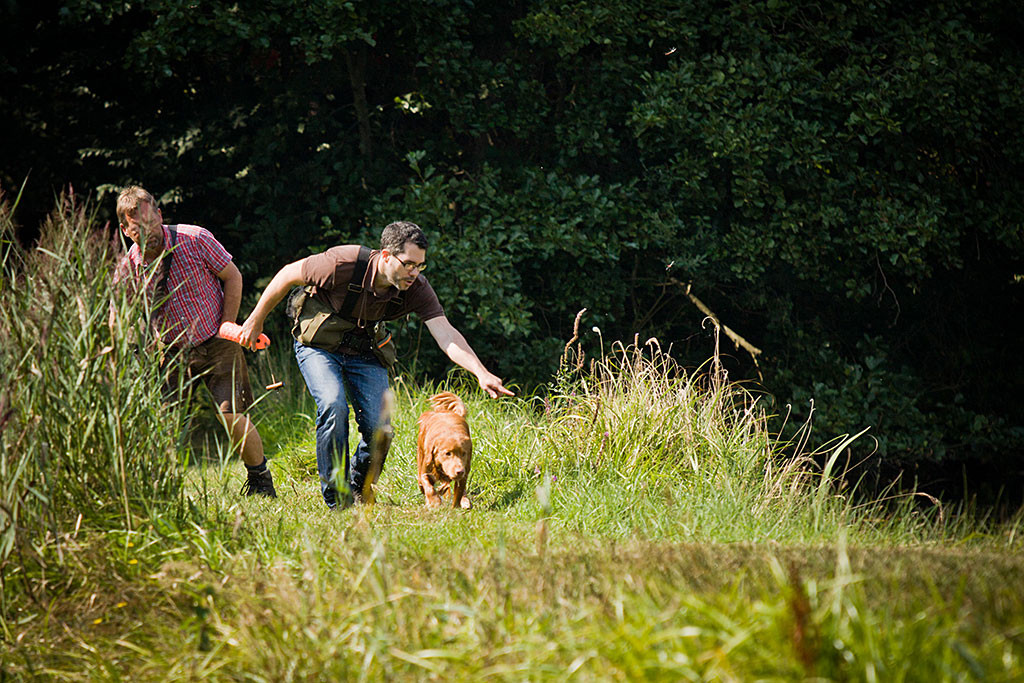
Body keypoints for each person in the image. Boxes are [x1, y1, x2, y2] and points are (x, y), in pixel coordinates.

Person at [238, 220, 513, 508]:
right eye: (409, 264)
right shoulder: (342, 263)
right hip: (318, 347)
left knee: (380, 428)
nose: (415, 272)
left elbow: (446, 334)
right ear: (385, 256)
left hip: (364, 351)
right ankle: (338, 500)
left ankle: (360, 485)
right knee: (333, 406)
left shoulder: (416, 287)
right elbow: (287, 275)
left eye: (420, 266)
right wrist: (256, 320)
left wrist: (480, 372)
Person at [112, 186, 276, 498]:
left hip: (216, 340)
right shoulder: (127, 269)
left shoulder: (195, 238)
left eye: (152, 222)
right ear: (125, 230)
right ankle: (159, 491)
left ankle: (261, 481)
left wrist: (228, 323)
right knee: (162, 424)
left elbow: (233, 276)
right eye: (138, 228)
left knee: (232, 415)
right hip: (171, 353)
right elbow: (117, 320)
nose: (149, 231)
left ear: (160, 214)